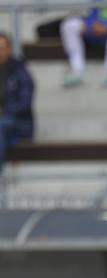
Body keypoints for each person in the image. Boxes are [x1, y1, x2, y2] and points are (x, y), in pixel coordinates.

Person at [0, 32, 34, 173]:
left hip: (18, 122)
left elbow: (24, 102)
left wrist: (4, 111)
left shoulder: (20, 72)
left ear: (9, 49)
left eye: (1, 47)